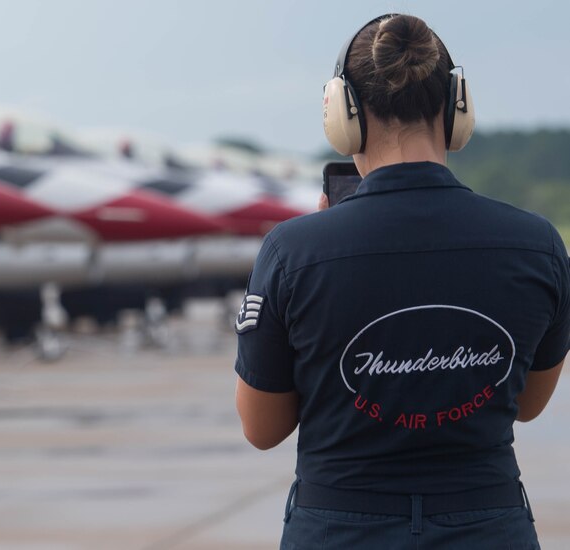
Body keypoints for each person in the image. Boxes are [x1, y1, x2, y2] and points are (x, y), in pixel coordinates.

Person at [234, 13, 569, 549]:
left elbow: (262, 428)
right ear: (457, 108)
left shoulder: (293, 251)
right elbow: (527, 404)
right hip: (487, 526)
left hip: (340, 528)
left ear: (343, 115)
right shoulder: (537, 244)